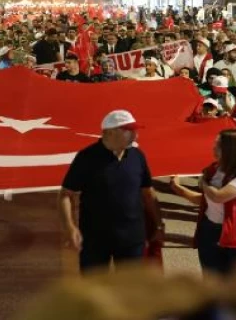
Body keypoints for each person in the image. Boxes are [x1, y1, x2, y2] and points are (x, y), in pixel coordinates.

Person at [59, 110, 163, 272]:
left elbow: (148, 192)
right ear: (109, 132)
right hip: (95, 240)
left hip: (132, 240)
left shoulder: (137, 156)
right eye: (129, 130)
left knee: (130, 290)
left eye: (135, 130)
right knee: (95, 291)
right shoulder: (86, 158)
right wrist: (70, 227)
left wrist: (158, 225)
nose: (135, 135)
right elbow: (65, 195)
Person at [169, 129, 236, 275]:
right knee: (210, 276)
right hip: (209, 230)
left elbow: (218, 196)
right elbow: (205, 200)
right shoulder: (215, 169)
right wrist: (179, 189)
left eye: (218, 145)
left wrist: (203, 182)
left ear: (231, 149)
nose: (213, 148)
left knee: (233, 281)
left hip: (234, 235)